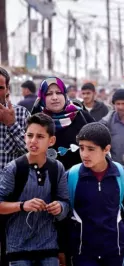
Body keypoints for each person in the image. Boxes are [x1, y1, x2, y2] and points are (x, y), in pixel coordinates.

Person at [66, 123, 124, 266]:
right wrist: (63, 251)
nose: (84, 154)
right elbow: (64, 217)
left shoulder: (121, 174)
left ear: (106, 149)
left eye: (91, 149)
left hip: (115, 251)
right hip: (82, 253)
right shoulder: (72, 175)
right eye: (81, 148)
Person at [0, 113, 69, 265]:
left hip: (49, 246)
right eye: (29, 135)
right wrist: (22, 205)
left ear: (51, 140)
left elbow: (65, 203)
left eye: (40, 136)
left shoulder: (57, 168)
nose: (33, 141)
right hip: (17, 248)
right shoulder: (14, 168)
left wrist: (59, 207)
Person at [0, 67, 30, 266]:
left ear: (7, 89)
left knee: (11, 251)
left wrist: (11, 124)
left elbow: (31, 153)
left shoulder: (20, 114)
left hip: (13, 197)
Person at [31, 77, 95, 170]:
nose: (55, 97)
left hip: (79, 179)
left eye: (59, 92)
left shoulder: (81, 116)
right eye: (49, 94)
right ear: (42, 98)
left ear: (65, 94)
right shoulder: (35, 120)